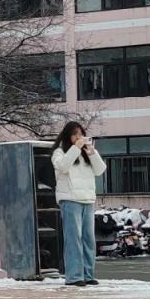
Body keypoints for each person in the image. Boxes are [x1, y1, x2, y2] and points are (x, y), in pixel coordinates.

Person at [51, 121, 106, 286]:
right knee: (73, 239)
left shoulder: (85, 153)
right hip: (70, 199)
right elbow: (63, 166)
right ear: (68, 136)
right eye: (75, 134)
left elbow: (100, 170)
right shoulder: (59, 152)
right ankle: (74, 276)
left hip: (87, 199)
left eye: (81, 134)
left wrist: (92, 153)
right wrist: (76, 148)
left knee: (89, 240)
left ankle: (88, 275)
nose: (78, 137)